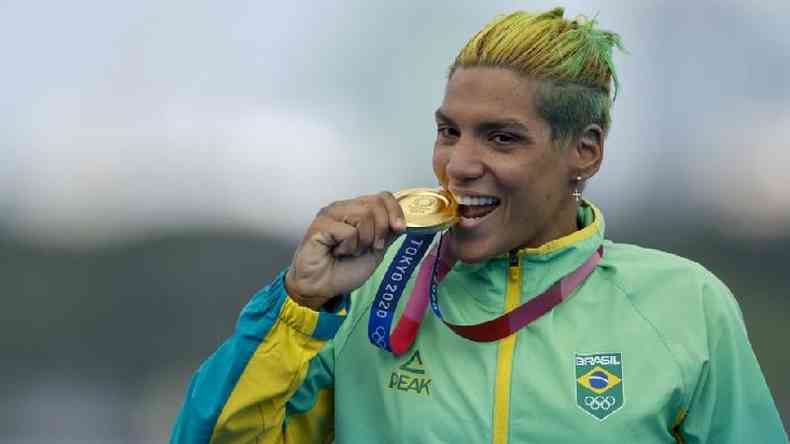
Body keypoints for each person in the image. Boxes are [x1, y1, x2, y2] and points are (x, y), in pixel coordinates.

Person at [170, 8, 788, 444]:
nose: (460, 165)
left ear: (586, 150)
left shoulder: (686, 305)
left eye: (502, 138)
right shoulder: (357, 296)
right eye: (449, 132)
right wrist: (302, 304)